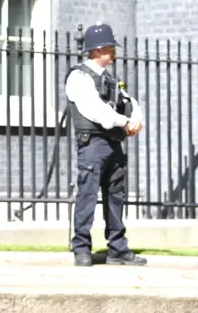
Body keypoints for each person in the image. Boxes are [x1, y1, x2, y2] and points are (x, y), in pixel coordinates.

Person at [65, 22, 147, 267]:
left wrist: (136, 119)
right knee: (88, 195)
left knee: (116, 196)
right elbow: (95, 110)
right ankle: (81, 248)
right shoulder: (79, 78)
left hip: (113, 144)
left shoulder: (110, 80)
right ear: (98, 49)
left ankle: (117, 248)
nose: (114, 52)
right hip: (92, 144)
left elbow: (129, 101)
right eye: (110, 48)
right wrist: (124, 123)